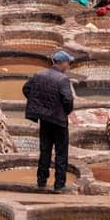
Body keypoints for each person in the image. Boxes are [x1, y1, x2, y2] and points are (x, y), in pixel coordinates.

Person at [22, 50, 76, 192]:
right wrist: (66, 111)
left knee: (44, 150)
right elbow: (68, 100)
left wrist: (39, 104)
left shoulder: (39, 74)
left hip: (44, 119)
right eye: (68, 63)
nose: (68, 65)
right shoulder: (62, 79)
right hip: (58, 121)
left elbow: (26, 89)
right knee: (61, 152)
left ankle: (41, 181)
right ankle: (59, 184)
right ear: (62, 63)